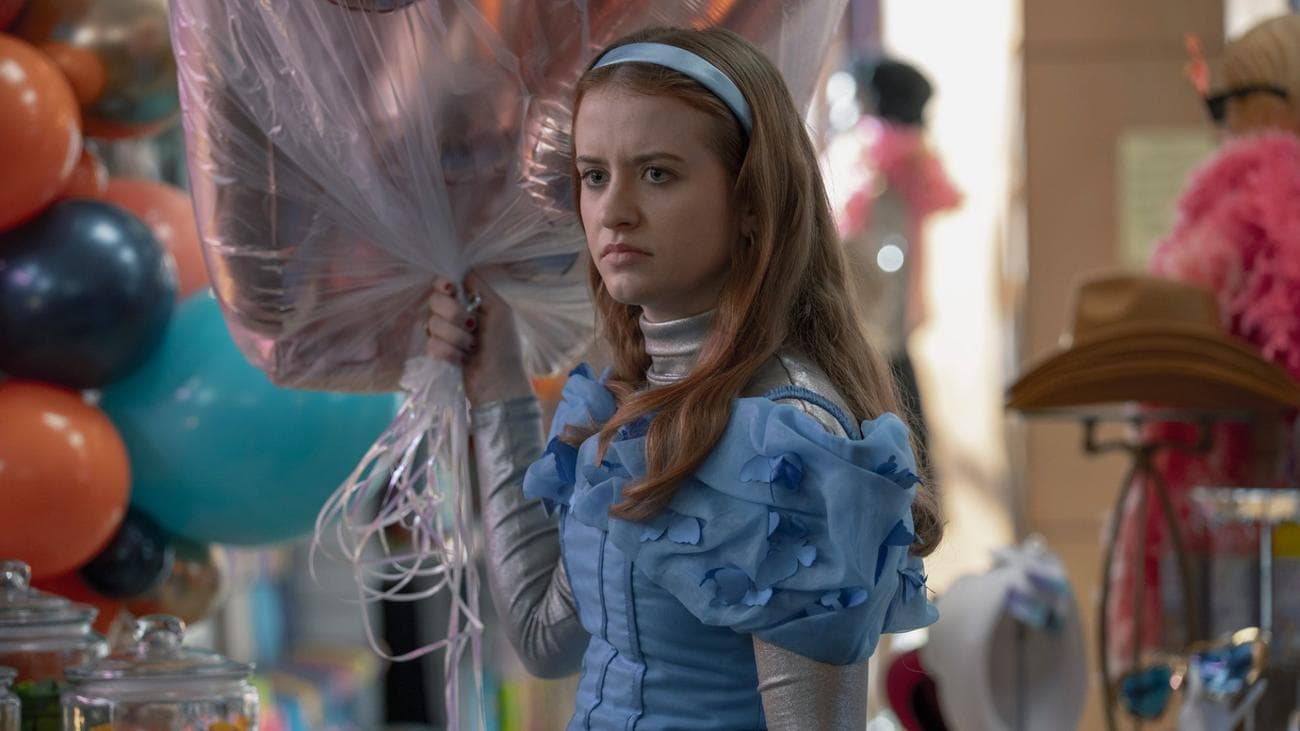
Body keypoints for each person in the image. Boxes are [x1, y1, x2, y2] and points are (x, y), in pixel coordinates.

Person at [425, 25, 942, 729]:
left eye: (658, 172)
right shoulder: (622, 399)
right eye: (595, 175)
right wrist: (498, 382)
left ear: (752, 202)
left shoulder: (791, 439)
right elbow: (545, 639)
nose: (614, 210)